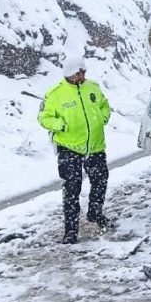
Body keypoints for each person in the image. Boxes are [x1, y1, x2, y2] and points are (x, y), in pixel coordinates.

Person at [38, 56, 113, 244]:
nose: (82, 75)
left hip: (95, 146)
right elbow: (43, 117)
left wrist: (102, 118)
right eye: (78, 72)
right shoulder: (55, 94)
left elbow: (105, 105)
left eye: (83, 71)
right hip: (69, 149)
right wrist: (60, 125)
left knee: (100, 180)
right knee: (72, 189)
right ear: (69, 73)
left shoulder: (93, 87)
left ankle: (95, 213)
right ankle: (71, 230)